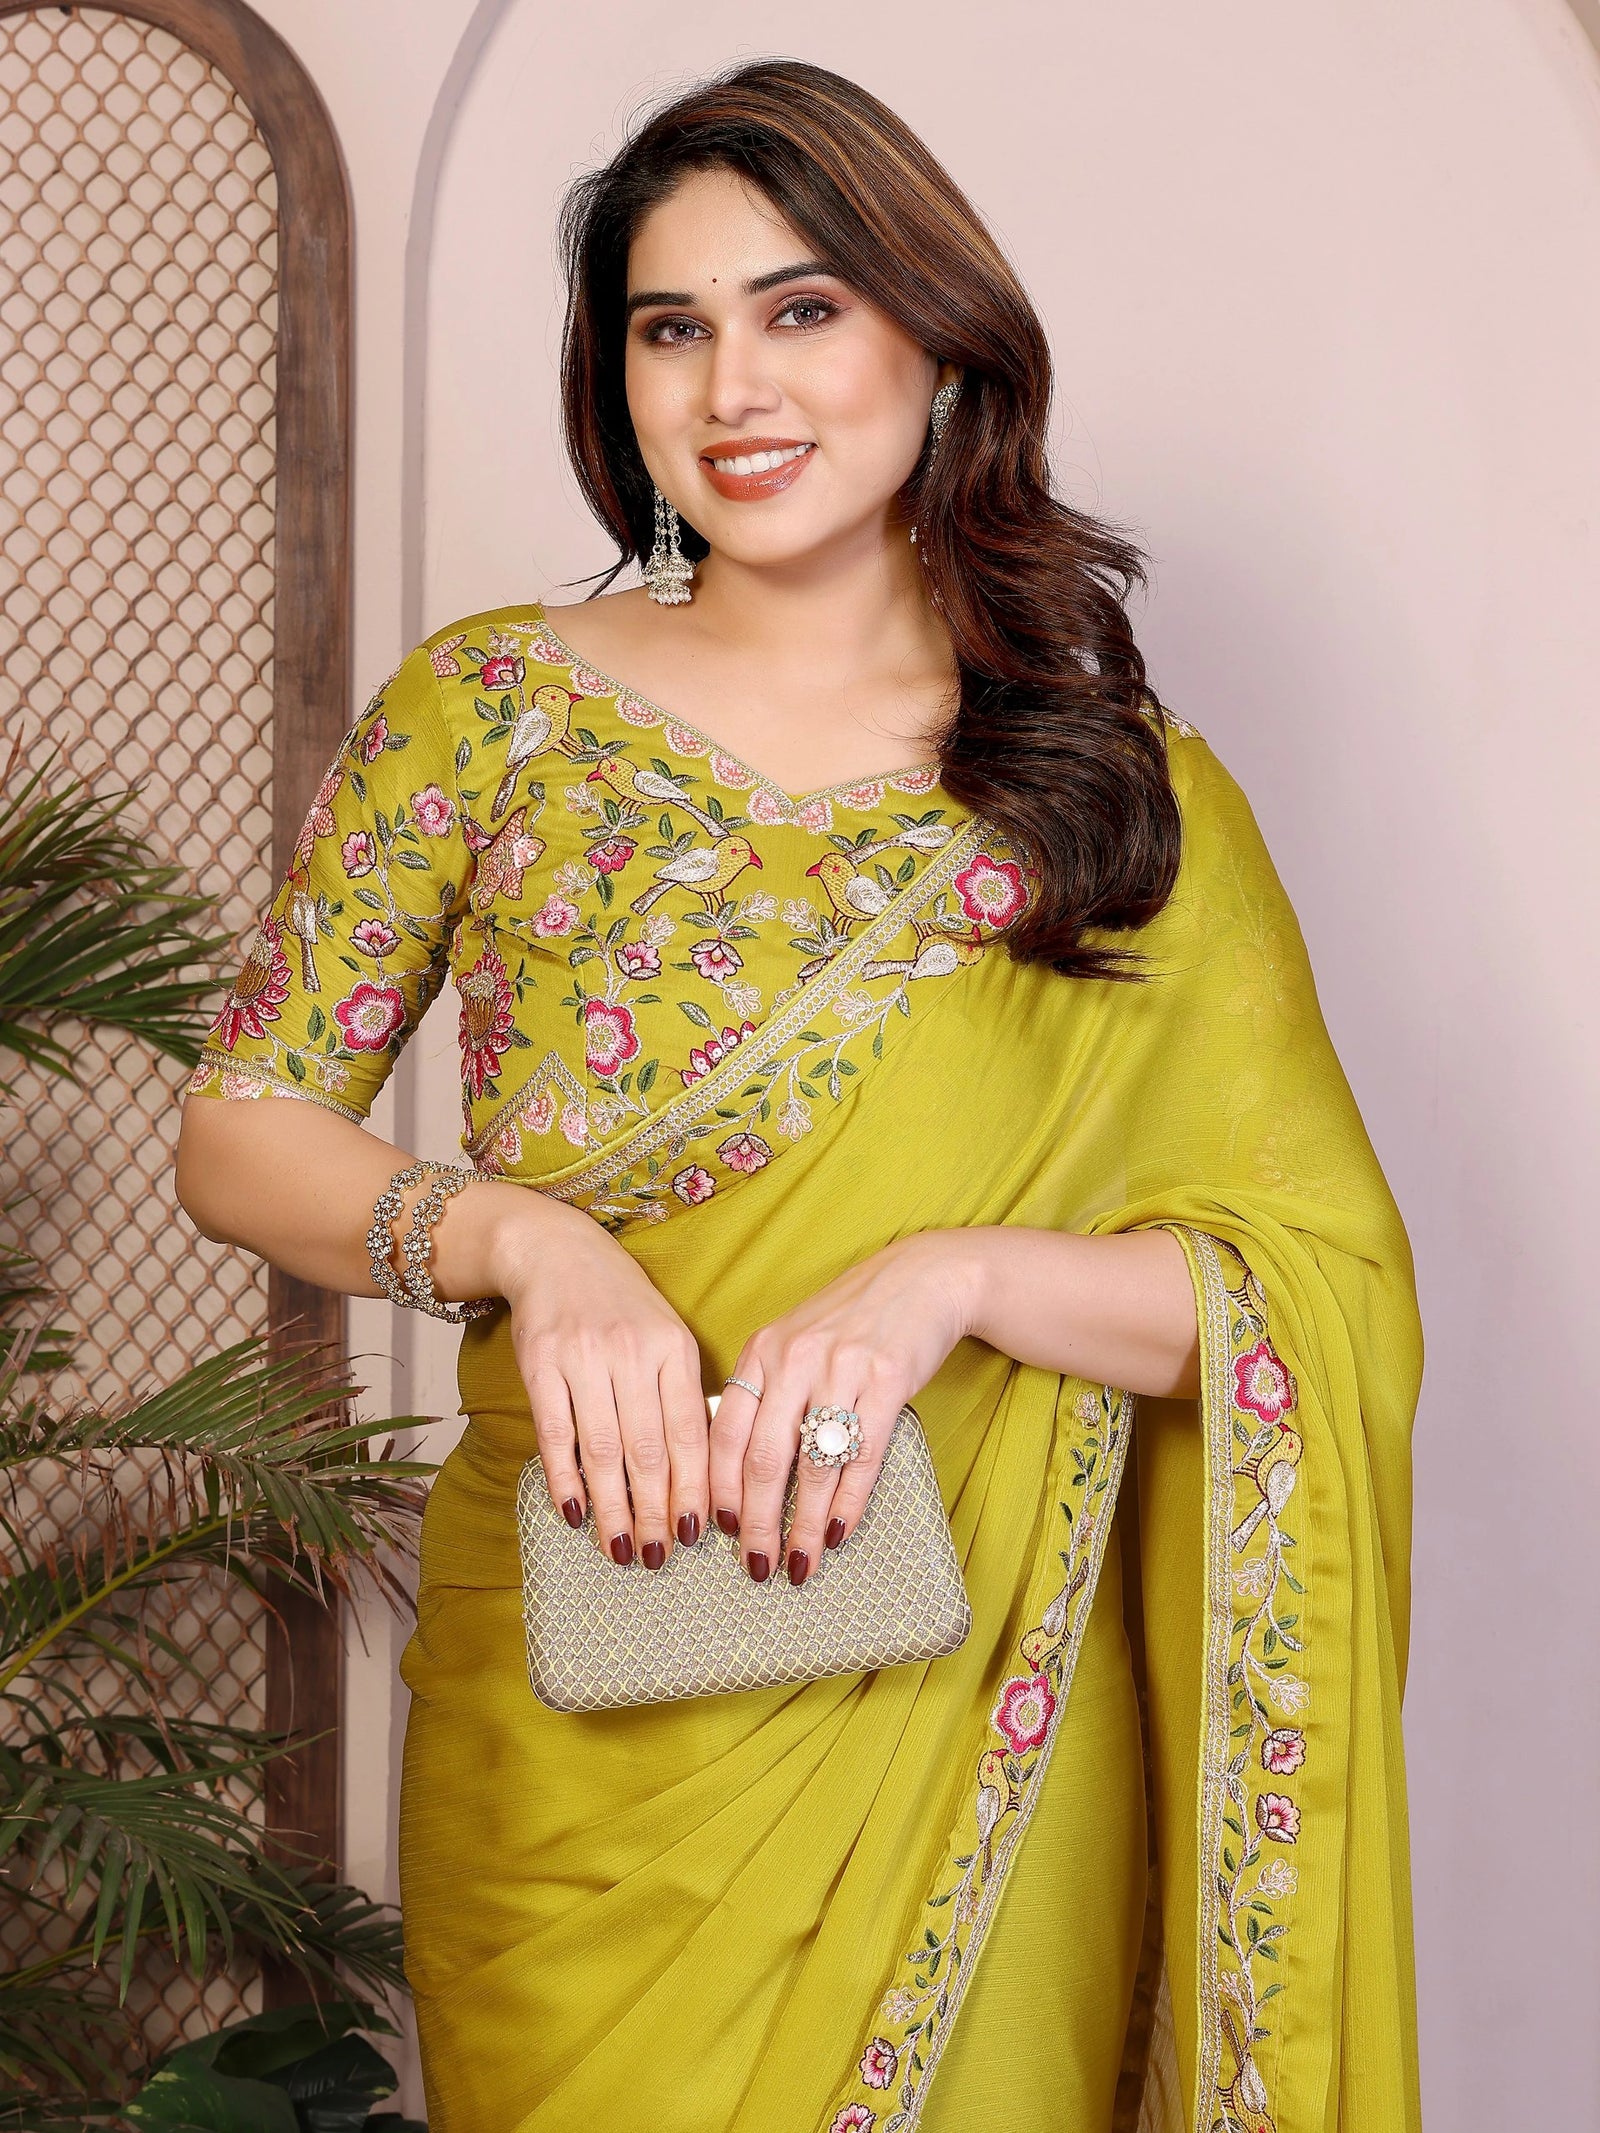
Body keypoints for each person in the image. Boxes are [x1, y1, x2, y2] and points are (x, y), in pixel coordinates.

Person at [175, 57, 1422, 2133]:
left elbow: (1309, 1293)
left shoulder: (1107, 786)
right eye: (671, 326)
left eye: (800, 308)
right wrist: (520, 1238)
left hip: (964, 1704)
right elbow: (241, 1124)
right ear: (618, 377)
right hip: (576, 1707)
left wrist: (947, 1275)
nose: (732, 383)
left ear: (938, 342)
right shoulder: (492, 709)